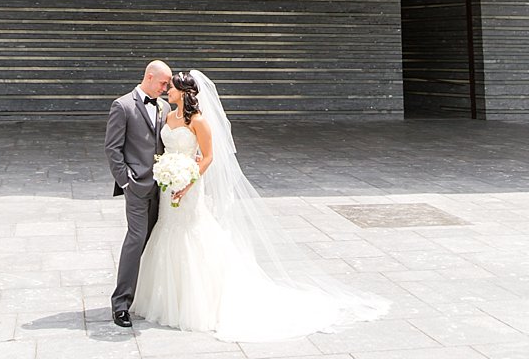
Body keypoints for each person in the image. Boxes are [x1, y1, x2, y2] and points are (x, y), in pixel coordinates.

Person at [131, 70, 388, 341]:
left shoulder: (199, 121)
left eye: (170, 87)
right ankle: (167, 296)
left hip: (189, 187)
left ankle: (197, 300)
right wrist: (168, 173)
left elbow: (207, 158)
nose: (166, 91)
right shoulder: (168, 115)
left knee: (191, 234)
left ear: (183, 92)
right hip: (168, 186)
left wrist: (187, 182)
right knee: (167, 231)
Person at [106, 59, 171, 327]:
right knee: (136, 239)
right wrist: (126, 182)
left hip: (163, 187)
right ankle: (120, 303)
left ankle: (148, 297)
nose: (166, 88)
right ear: (149, 76)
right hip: (136, 187)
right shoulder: (122, 106)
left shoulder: (165, 107)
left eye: (168, 84)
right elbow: (112, 148)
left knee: (154, 241)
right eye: (163, 83)